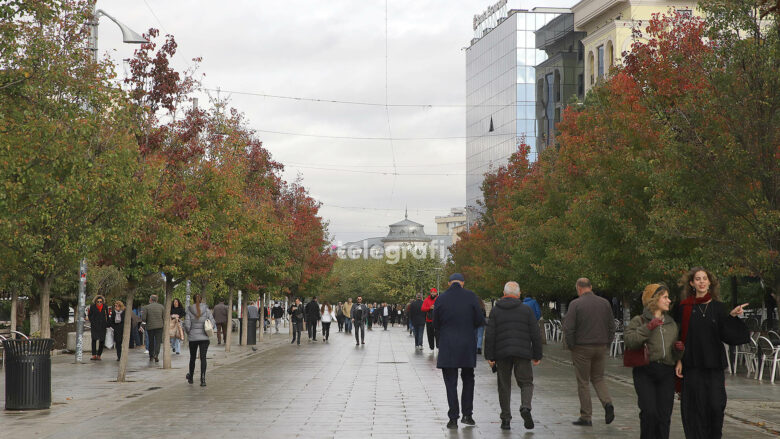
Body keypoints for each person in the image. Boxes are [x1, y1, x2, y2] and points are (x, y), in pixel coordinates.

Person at [673, 267, 749, 439]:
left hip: (713, 366)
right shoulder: (684, 308)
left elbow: (726, 334)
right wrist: (679, 360)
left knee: (715, 406)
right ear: (692, 283)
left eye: (704, 279)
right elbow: (678, 337)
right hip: (691, 366)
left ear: (709, 282)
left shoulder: (718, 308)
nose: (701, 282)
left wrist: (732, 316)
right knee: (694, 408)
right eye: (697, 279)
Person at [624, 283, 683, 439]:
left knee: (664, 415)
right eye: (665, 297)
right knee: (649, 412)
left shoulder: (671, 323)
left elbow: (675, 354)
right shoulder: (639, 320)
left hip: (666, 372)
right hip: (645, 371)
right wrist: (649, 327)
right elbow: (630, 341)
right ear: (654, 300)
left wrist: (679, 350)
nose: (669, 300)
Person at [484, 281, 543, 431]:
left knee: (504, 385)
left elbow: (490, 334)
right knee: (526, 382)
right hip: (522, 353)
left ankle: (505, 420)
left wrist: (490, 356)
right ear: (519, 294)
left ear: (504, 294)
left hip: (502, 353)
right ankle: (525, 407)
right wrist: (537, 355)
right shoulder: (526, 310)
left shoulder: (496, 310)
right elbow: (535, 334)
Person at [563, 278, 616, 427]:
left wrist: (572, 346)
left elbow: (569, 327)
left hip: (582, 347)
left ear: (579, 288)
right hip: (600, 346)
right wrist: (607, 343)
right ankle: (607, 403)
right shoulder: (605, 303)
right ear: (590, 287)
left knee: (583, 381)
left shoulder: (575, 304)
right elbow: (612, 326)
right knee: (599, 378)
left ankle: (586, 416)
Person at [434, 273, 485, 429]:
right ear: (463, 282)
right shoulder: (471, 296)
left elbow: (435, 323)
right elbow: (479, 320)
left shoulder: (441, 298)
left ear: (449, 283)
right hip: (466, 345)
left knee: (451, 382)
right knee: (468, 379)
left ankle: (453, 418)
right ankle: (467, 415)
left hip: (448, 345)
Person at [183, 293, 216, 387]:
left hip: (193, 338)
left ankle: (191, 377)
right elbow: (212, 322)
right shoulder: (206, 309)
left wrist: (189, 333)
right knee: (203, 357)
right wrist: (208, 329)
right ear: (201, 300)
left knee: (192, 358)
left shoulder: (189, 310)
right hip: (204, 337)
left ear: (193, 300)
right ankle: (203, 379)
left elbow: (187, 325)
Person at [141, 294, 165, 363]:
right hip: (159, 327)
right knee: (158, 341)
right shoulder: (161, 307)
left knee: (151, 341)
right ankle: (156, 354)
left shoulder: (146, 307)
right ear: (156, 300)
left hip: (150, 327)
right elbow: (164, 317)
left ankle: (151, 355)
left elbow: (144, 318)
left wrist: (143, 325)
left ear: (150, 300)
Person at [88, 295, 109, 361]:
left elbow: (107, 316)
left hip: (103, 326)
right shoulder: (92, 307)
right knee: (94, 339)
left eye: (101, 301)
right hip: (95, 326)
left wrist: (107, 324)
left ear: (102, 301)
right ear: (95, 302)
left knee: (102, 340)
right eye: (98, 301)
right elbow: (90, 315)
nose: (99, 303)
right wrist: (93, 322)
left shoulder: (105, 307)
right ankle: (94, 355)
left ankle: (99, 355)